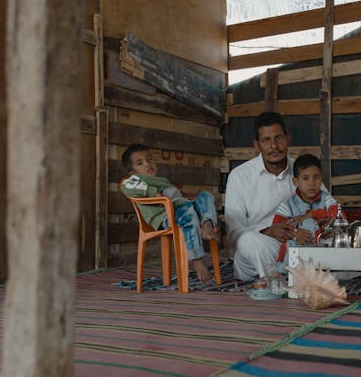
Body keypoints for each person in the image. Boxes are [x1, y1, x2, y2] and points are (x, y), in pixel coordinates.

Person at [120, 144, 218, 283]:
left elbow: (178, 197)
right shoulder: (135, 181)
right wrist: (152, 192)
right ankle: (197, 259)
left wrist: (191, 200)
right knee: (187, 213)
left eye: (150, 159)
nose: (148, 164)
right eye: (140, 163)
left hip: (182, 209)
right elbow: (126, 187)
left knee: (205, 195)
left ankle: (207, 224)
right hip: (166, 218)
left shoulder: (162, 180)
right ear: (132, 172)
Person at [225, 111, 302, 280]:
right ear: (256, 145)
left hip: (298, 244)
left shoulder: (302, 169)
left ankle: (294, 276)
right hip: (259, 250)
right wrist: (268, 231)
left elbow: (326, 209)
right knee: (247, 241)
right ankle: (278, 280)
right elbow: (233, 235)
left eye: (279, 138)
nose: (274, 146)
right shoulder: (240, 176)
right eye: (266, 140)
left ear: (288, 138)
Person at [271, 154, 340, 272]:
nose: (312, 183)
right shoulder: (288, 204)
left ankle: (327, 272)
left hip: (323, 241)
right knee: (293, 240)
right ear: (295, 182)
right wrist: (295, 234)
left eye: (316, 177)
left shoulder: (326, 198)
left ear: (321, 179)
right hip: (297, 244)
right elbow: (277, 227)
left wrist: (313, 214)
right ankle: (287, 273)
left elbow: (337, 215)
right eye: (305, 178)